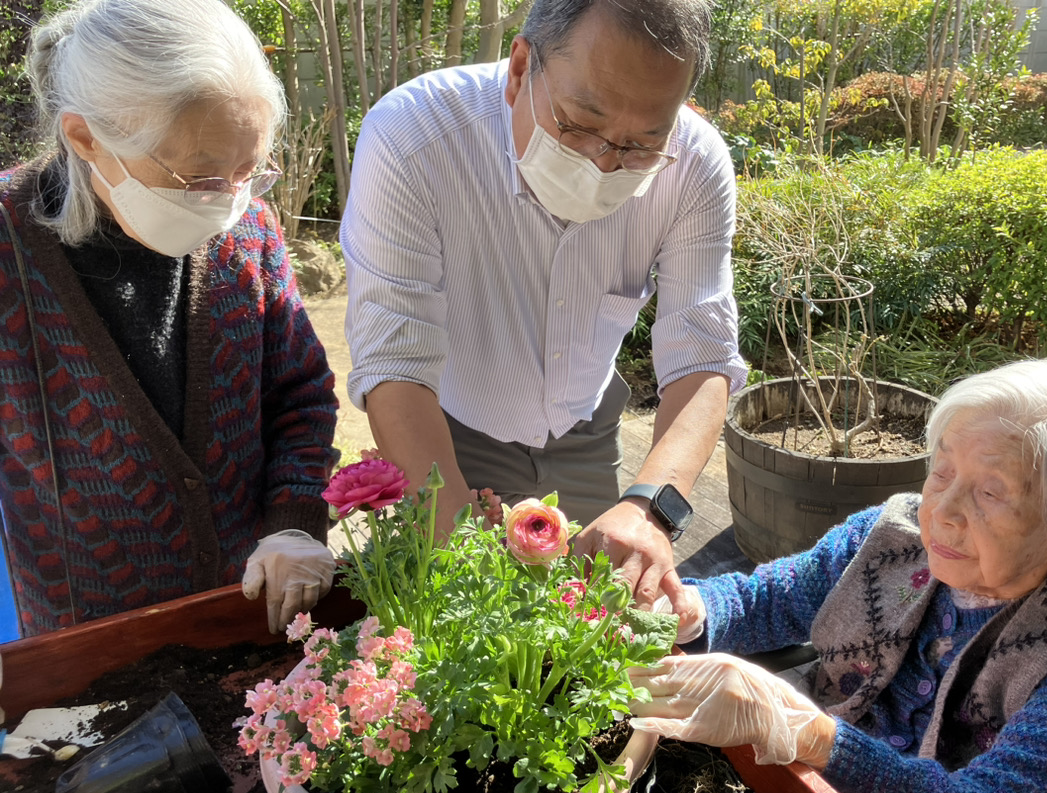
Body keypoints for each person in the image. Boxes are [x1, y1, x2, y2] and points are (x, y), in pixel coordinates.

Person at [629, 359, 1047, 793]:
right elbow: (774, 596)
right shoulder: (893, 531)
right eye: (943, 471)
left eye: (992, 492)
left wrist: (802, 728)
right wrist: (693, 611)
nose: (943, 512)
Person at [340, 0, 747, 612]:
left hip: (587, 429)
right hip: (448, 431)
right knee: (455, 625)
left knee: (583, 626)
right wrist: (454, 538)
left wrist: (650, 509)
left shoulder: (693, 164)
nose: (605, 161)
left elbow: (702, 353)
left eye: (642, 143)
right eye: (581, 124)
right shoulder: (415, 135)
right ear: (521, 68)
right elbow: (394, 360)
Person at [0, 0, 339, 638]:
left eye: (247, 170)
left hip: (246, 612)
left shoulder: (249, 235)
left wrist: (293, 521)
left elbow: (301, 396)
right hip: (82, 644)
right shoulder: (8, 247)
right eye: (200, 176)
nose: (228, 198)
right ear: (85, 138)